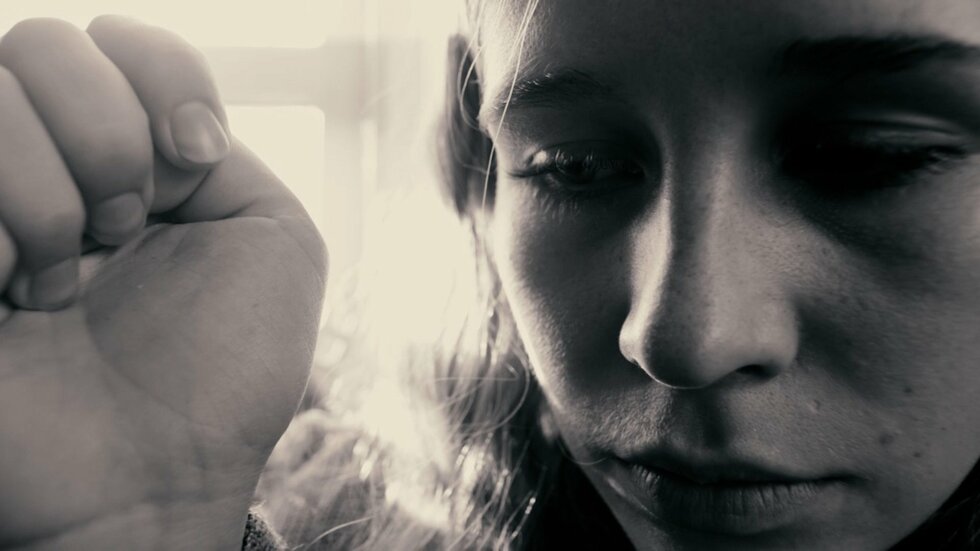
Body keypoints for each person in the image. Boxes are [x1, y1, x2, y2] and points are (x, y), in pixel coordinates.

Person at [1, 1, 979, 549]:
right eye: (575, 167)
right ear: (476, 170)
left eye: (870, 156)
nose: (683, 336)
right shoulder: (336, 521)